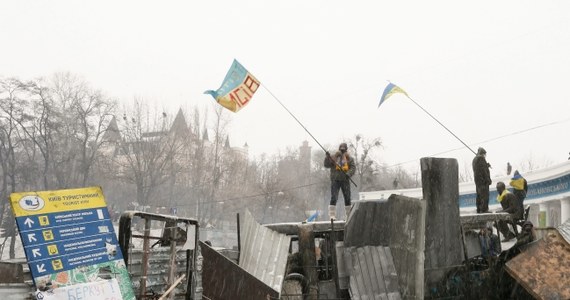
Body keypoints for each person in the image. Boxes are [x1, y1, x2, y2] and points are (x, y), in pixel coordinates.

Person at [324, 143, 355, 220]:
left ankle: (348, 215)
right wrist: (327, 157)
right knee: (334, 197)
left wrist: (348, 174)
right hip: (335, 180)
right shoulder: (333, 158)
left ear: (346, 149)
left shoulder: (350, 159)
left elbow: (353, 168)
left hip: (345, 180)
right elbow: (326, 165)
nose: (342, 149)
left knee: (347, 198)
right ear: (339, 148)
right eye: (341, 148)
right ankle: (332, 215)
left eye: (344, 148)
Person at [472, 147, 492, 213]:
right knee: (485, 195)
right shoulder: (481, 158)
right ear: (483, 153)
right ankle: (484, 209)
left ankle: (479, 209)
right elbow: (483, 171)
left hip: (477, 181)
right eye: (485, 154)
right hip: (483, 181)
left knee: (479, 195)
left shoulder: (474, 159)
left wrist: (486, 165)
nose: (485, 156)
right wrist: (488, 179)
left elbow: (478, 168)